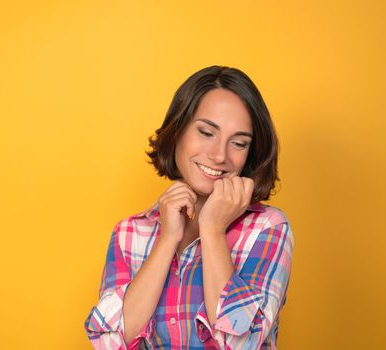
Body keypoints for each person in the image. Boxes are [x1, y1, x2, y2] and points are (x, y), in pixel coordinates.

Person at [84, 65, 294, 349]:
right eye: (207, 132)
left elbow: (241, 343)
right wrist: (168, 238)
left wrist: (213, 229)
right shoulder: (129, 233)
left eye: (239, 143)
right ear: (178, 130)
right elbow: (110, 343)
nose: (220, 155)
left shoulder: (268, 228)